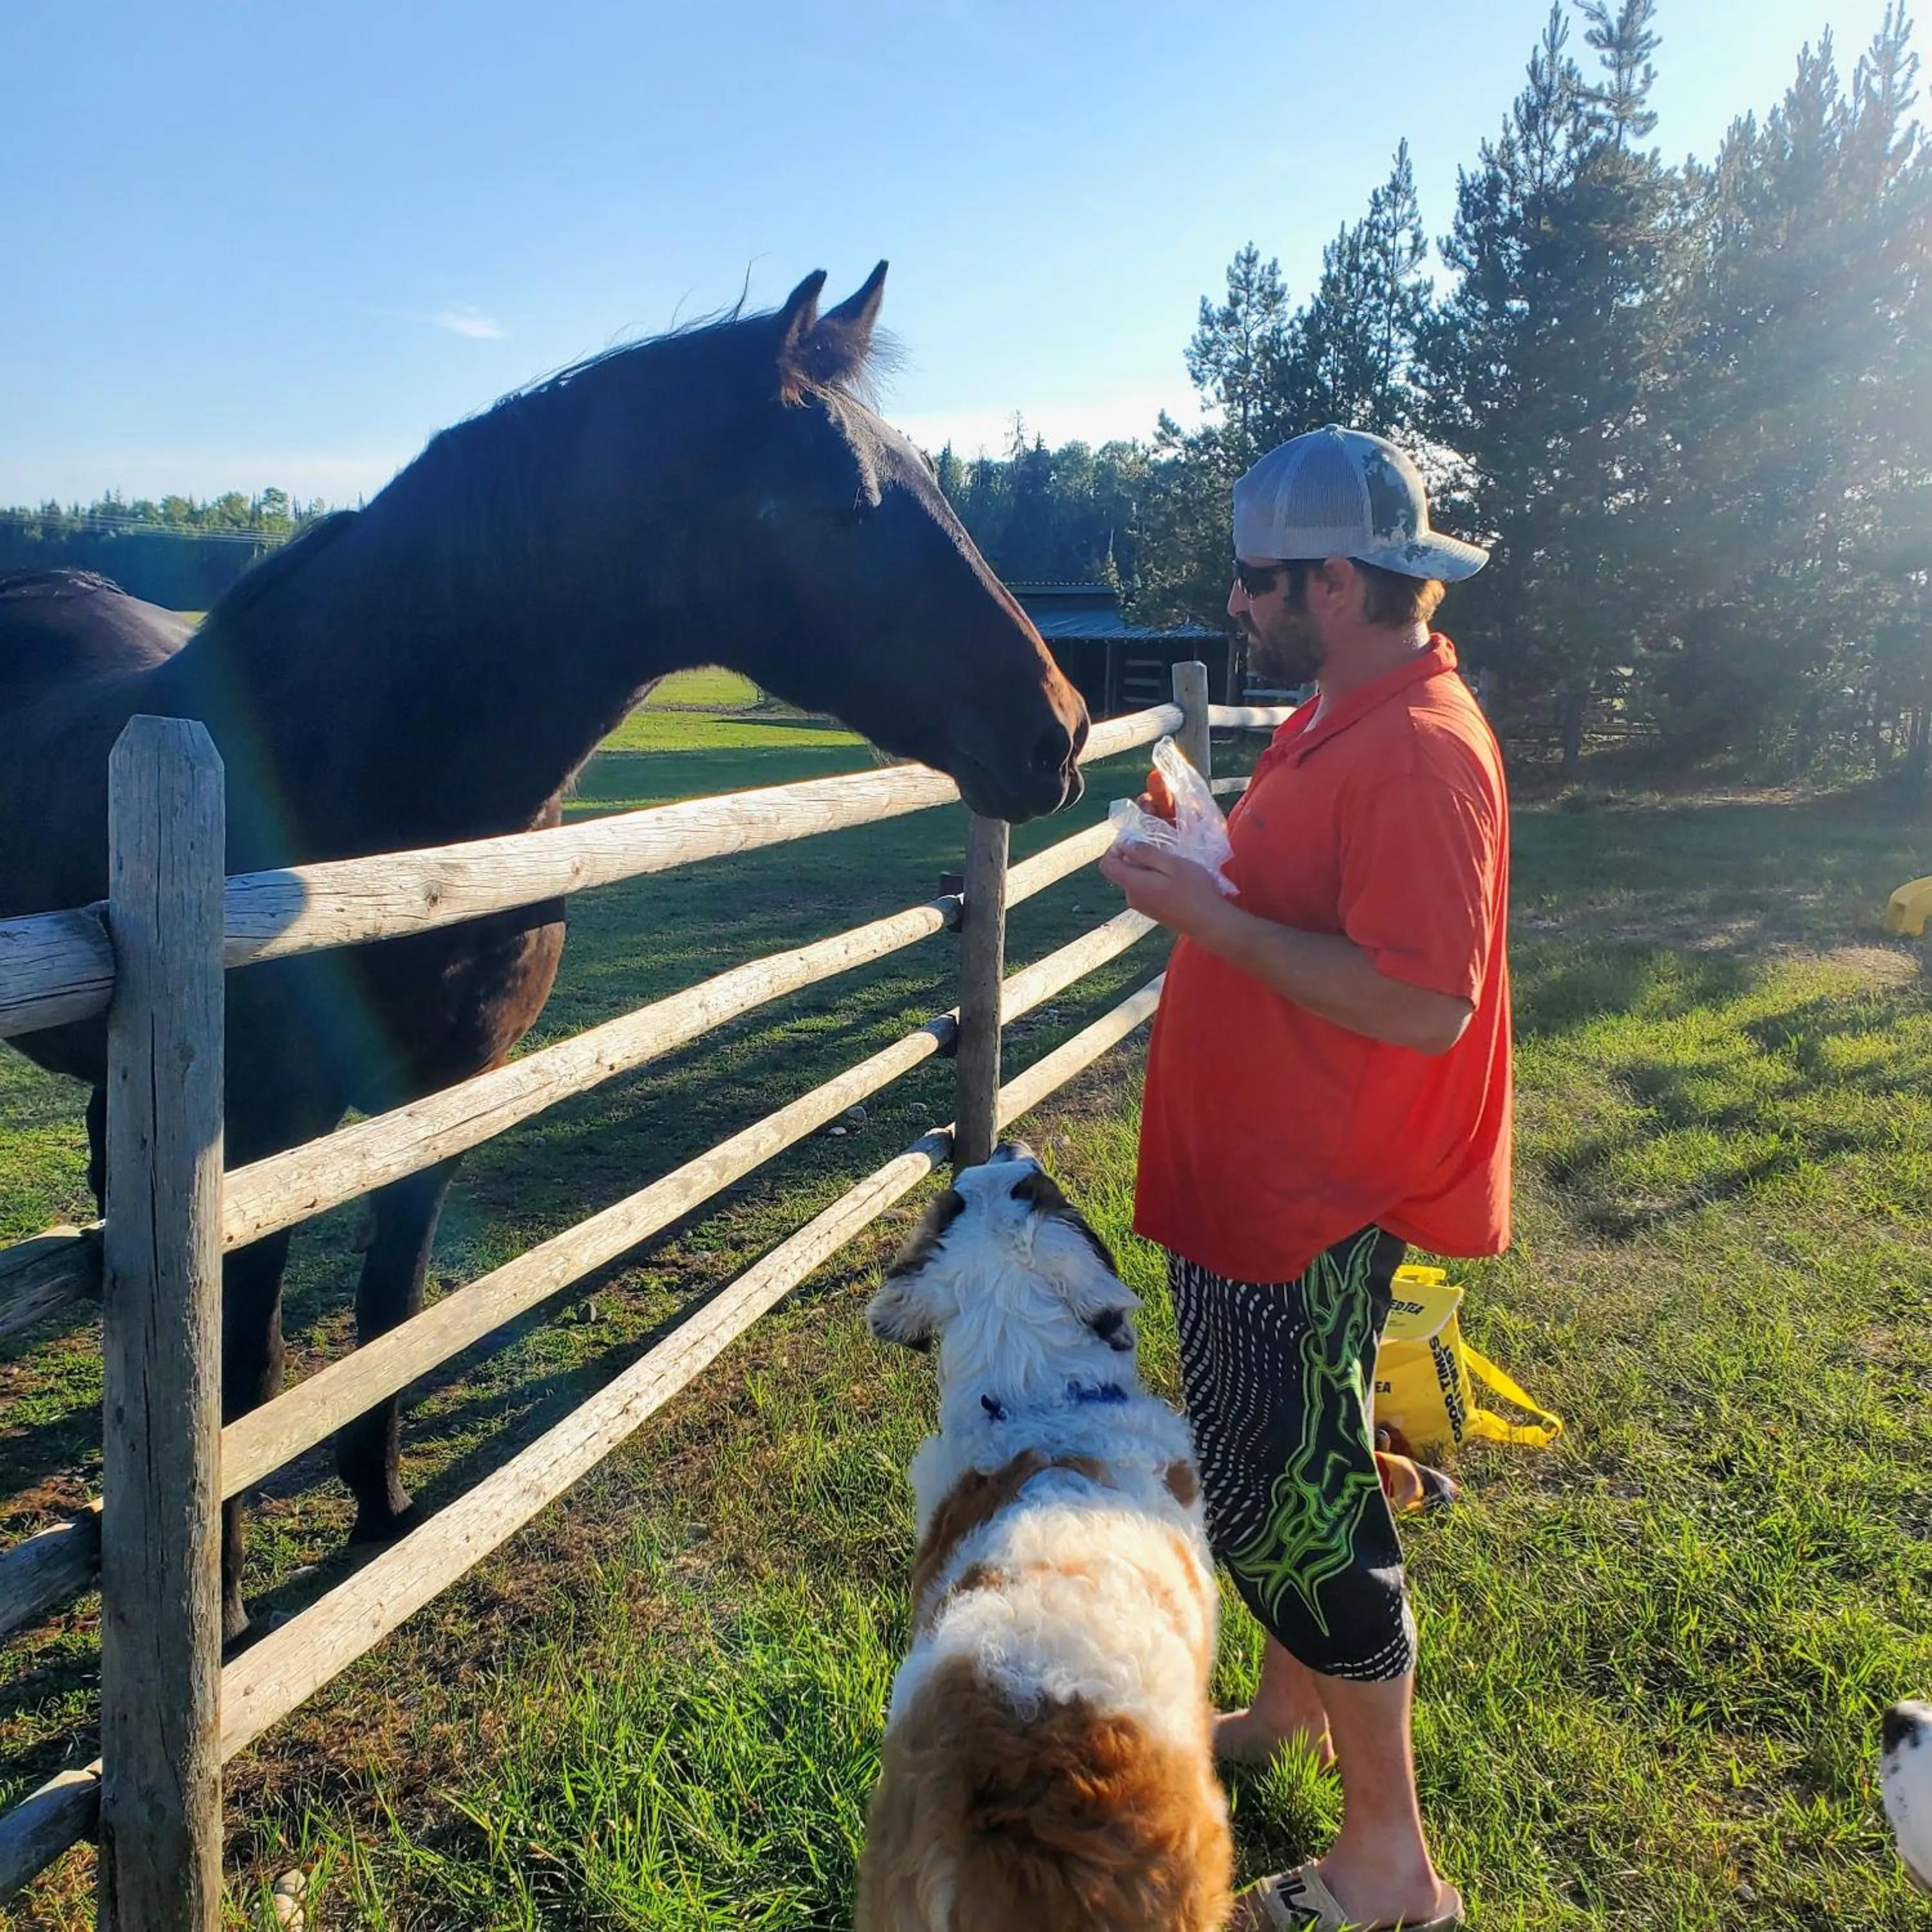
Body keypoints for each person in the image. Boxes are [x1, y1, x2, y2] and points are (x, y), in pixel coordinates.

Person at [1097, 425, 1511, 1932]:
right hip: (1260, 1176)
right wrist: (1197, 869)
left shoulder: (1416, 748)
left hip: (1306, 1196)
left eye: (1261, 581)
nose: (1240, 600)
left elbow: (1424, 999)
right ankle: (1282, 1718)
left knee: (1304, 1495)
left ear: (1335, 583)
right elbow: (1306, 906)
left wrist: (1205, 926)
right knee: (1286, 1469)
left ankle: (1390, 1868)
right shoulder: (1343, 712)